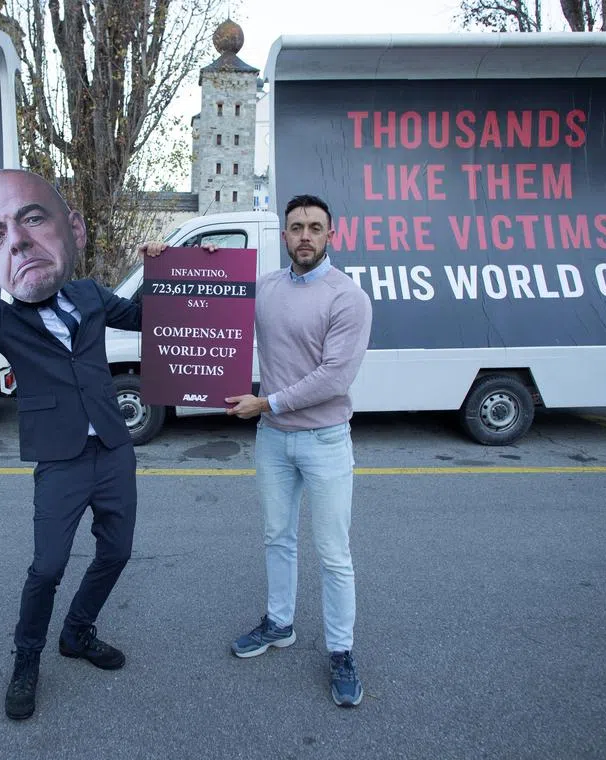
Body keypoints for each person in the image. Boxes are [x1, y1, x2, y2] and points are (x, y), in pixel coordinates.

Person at [0, 168, 154, 721]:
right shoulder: (0, 321)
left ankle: (77, 633)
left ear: (66, 231)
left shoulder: (91, 295)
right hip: (60, 458)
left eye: (31, 221)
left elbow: (148, 316)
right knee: (46, 568)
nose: (20, 243)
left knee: (116, 552)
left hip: (113, 449)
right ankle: (27, 660)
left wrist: (158, 266)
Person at [224, 193, 373, 708]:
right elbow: (205, 297)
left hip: (325, 440)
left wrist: (267, 403)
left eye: (314, 227)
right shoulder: (265, 289)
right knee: (277, 539)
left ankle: (341, 651)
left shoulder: (346, 297)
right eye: (295, 227)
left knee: (334, 555)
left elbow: (335, 378)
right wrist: (162, 261)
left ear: (331, 234)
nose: (304, 235)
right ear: (283, 235)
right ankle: (280, 623)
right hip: (273, 440)